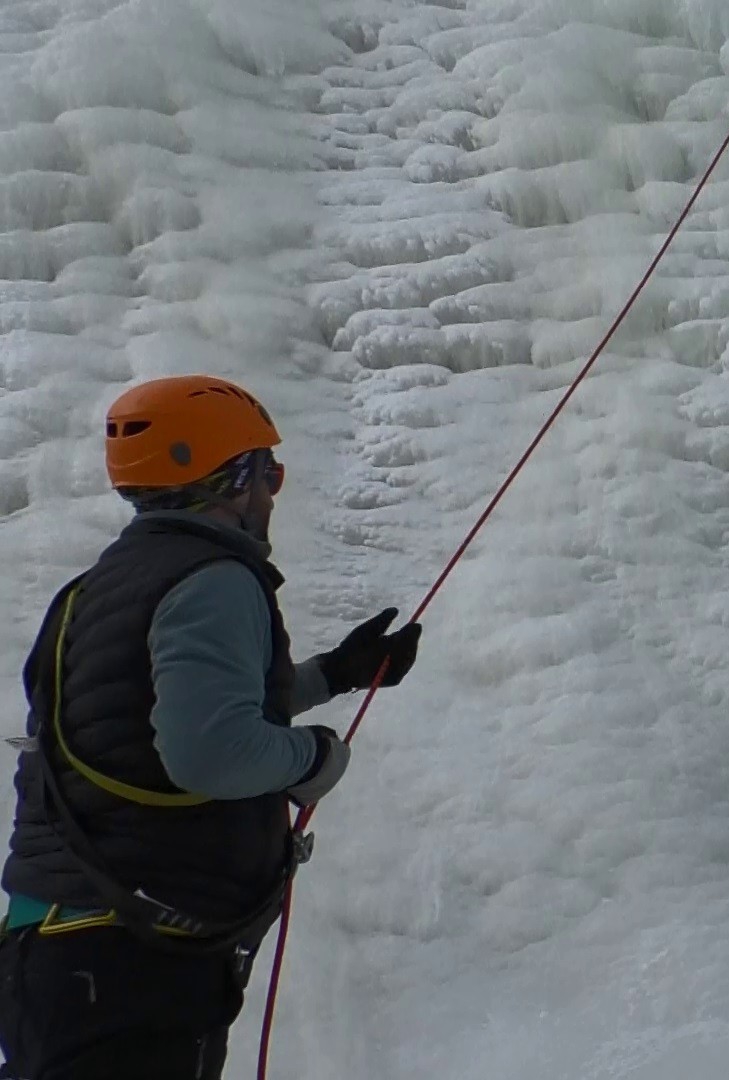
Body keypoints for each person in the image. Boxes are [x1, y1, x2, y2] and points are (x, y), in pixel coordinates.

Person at [0, 375, 422, 1079]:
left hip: (65, 952)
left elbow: (140, 730)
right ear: (233, 478)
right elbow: (209, 753)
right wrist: (315, 757)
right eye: (269, 473)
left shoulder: (103, 584)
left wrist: (336, 674)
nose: (271, 492)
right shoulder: (214, 579)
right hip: (131, 964)